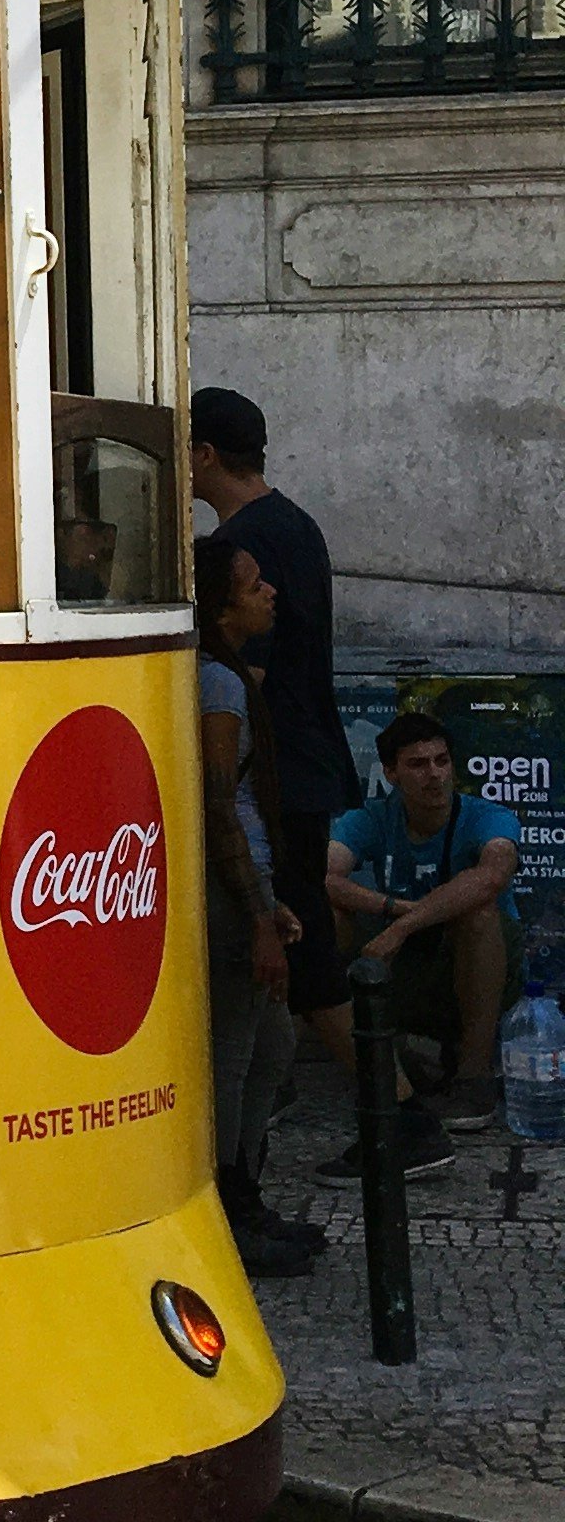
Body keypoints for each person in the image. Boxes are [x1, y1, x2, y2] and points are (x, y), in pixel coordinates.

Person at [189, 386, 359, 1078]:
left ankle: (398, 1112)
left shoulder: (243, 545)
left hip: (277, 771)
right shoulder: (294, 522)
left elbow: (248, 674)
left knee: (299, 937)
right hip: (306, 758)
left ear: (203, 455)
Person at [320, 709, 522, 1174]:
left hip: (477, 967)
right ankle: (391, 1058)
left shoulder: (485, 816)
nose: (433, 774)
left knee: (479, 913)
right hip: (404, 966)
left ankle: (474, 1078)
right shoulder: (372, 817)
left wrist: (403, 927)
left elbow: (493, 874)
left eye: (441, 761)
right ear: (390, 773)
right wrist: (394, 909)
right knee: (324, 914)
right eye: (417, 764)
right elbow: (322, 875)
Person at [194, 535, 320, 1276]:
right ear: (220, 606)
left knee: (274, 1049)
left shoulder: (224, 676)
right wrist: (255, 914)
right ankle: (229, 1215)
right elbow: (216, 803)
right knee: (235, 1058)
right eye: (252, 586)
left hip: (254, 887)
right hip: (230, 892)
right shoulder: (219, 684)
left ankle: (251, 1196)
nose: (268, 592)